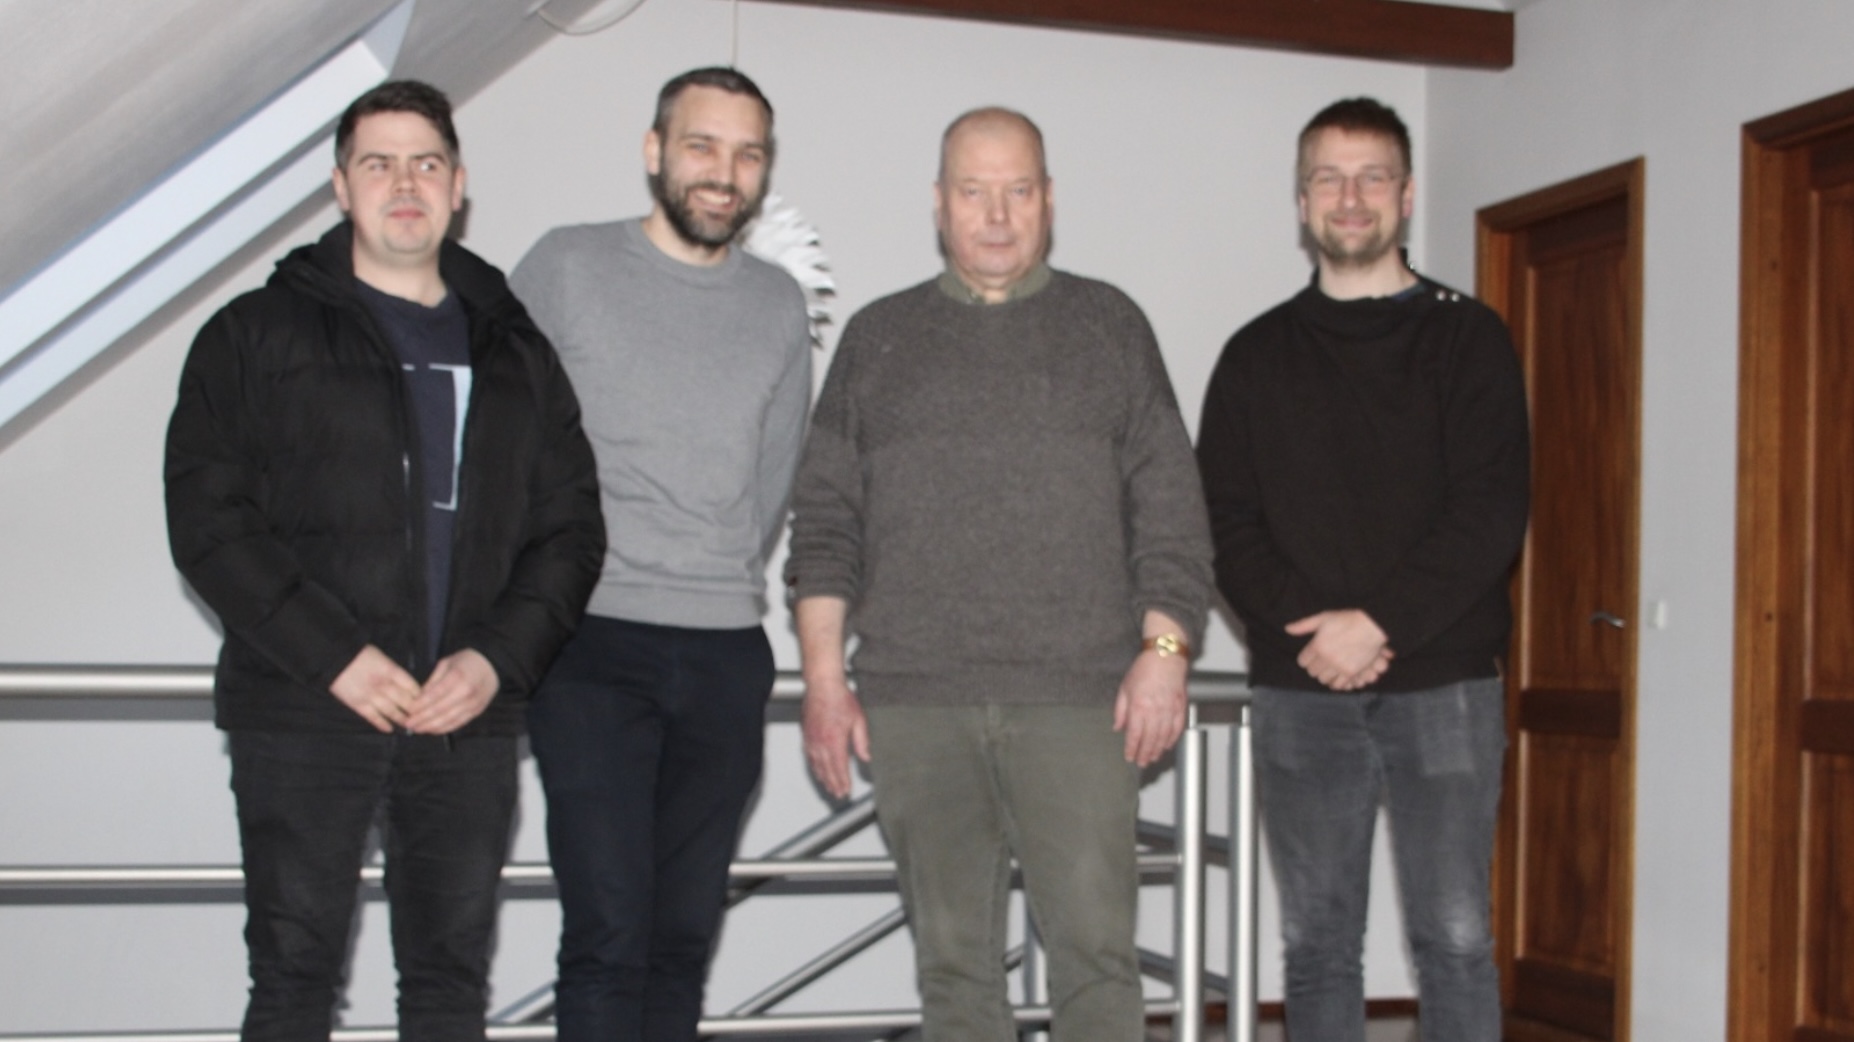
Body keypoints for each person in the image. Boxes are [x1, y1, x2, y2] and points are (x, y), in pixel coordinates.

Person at [164, 80, 605, 1040]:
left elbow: (570, 532)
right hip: (304, 709)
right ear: (341, 186)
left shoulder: (520, 353)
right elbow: (208, 520)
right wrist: (334, 656)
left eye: (426, 163)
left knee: (449, 988)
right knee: (293, 982)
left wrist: (494, 661)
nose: (405, 183)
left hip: (466, 720)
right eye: (379, 163)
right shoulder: (253, 334)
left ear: (458, 185)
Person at [787, 106, 1213, 1042]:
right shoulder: (877, 339)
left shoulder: (1110, 326)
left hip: (1081, 704)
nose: (996, 214)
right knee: (953, 971)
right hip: (916, 704)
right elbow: (823, 523)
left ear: (1048, 200)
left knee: (1097, 963)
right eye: (974, 191)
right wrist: (823, 679)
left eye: (1018, 190)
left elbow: (1172, 512)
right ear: (939, 202)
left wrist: (1165, 653)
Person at [1195, 97, 1531, 1042]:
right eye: (1329, 179)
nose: (1351, 197)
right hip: (1300, 688)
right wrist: (1318, 633)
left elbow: (1490, 511)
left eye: (1372, 176)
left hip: (1447, 686)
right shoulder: (1254, 355)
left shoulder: (1471, 338)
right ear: (1302, 200)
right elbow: (1222, 521)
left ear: (1406, 194)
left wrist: (1374, 624)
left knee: (1456, 940)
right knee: (1315, 944)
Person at [509, 66, 810, 1041]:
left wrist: (709, 570)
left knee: (681, 938)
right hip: (588, 644)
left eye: (748, 153)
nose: (724, 172)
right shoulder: (566, 266)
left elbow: (771, 478)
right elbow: (502, 443)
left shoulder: (776, 305)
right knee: (608, 932)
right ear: (654, 151)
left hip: (724, 651)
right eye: (702, 145)